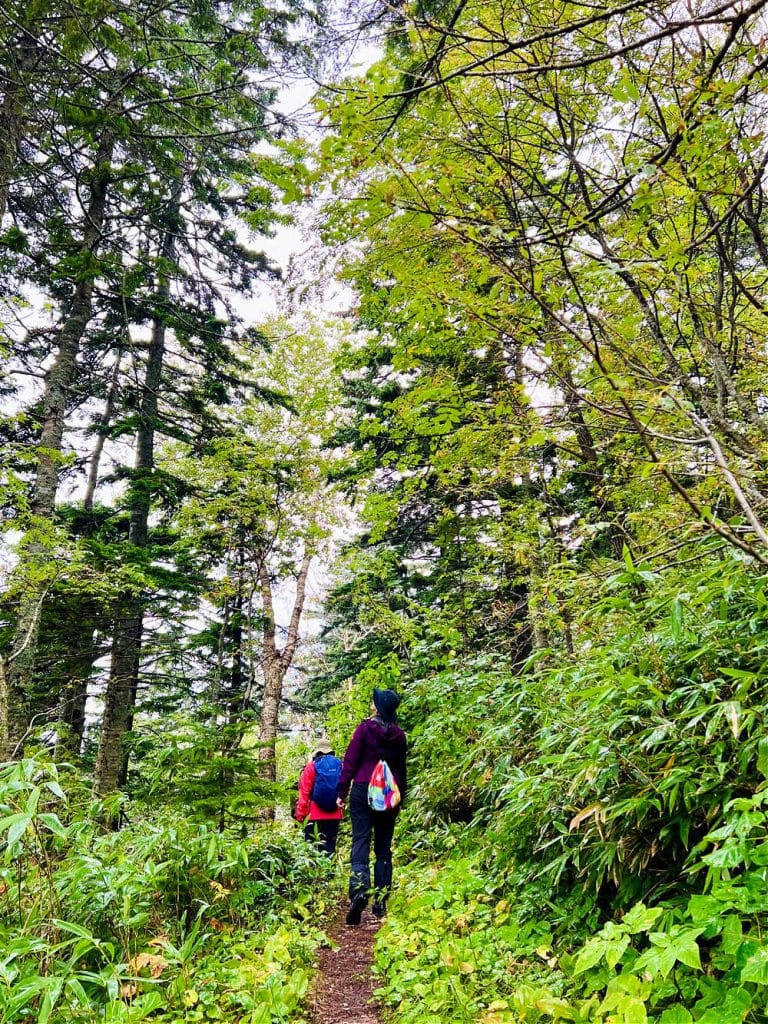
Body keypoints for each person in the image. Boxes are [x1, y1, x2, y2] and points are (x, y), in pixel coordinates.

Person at [336, 687, 407, 925]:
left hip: (362, 790)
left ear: (378, 707)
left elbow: (350, 762)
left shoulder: (364, 729)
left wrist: (341, 792)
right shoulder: (398, 735)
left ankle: (358, 892)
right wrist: (401, 797)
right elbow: (401, 770)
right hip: (388, 795)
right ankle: (381, 900)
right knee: (383, 847)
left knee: (361, 840)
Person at [294, 739, 343, 856]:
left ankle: (314, 873)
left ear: (317, 752)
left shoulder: (311, 767)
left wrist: (300, 817)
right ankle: (329, 873)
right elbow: (344, 789)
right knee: (329, 849)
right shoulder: (340, 765)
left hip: (313, 815)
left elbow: (304, 793)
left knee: (311, 850)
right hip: (334, 815)